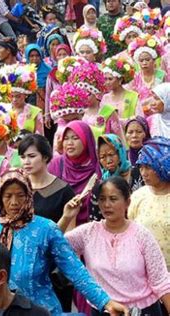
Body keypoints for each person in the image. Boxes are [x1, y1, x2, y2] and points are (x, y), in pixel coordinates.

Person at [0, 169, 129, 316]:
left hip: (42, 311)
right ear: (0, 197)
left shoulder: (46, 229)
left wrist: (105, 302)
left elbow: (75, 269)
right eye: (8, 196)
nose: (14, 202)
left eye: (20, 195)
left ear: (29, 195)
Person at [65, 176, 170, 315]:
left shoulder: (142, 235)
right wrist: (67, 217)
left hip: (142, 311)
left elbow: (161, 280)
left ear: (128, 202)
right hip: (104, 309)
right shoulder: (88, 233)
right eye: (102, 199)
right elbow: (54, 245)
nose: (107, 205)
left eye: (113, 199)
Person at [18, 134, 75, 311]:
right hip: (23, 265)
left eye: (31, 156)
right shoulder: (17, 189)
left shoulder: (64, 190)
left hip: (53, 266)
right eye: (23, 157)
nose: (26, 161)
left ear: (46, 157)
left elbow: (70, 235)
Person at [48, 121, 101, 226]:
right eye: (66, 139)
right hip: (60, 227)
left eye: (75, 138)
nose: (69, 143)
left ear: (86, 140)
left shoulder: (98, 166)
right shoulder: (57, 164)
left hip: (92, 227)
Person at [128, 137, 170, 269]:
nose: (143, 173)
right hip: (145, 270)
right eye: (141, 167)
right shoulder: (138, 196)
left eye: (148, 167)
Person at [70, 62, 125, 141]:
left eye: (87, 94)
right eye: (80, 94)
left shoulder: (108, 111)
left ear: (95, 93)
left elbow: (119, 138)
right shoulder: (77, 113)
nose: (84, 97)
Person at [127, 34, 165, 114]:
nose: (144, 63)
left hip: (159, 112)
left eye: (147, 60)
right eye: (141, 60)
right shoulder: (135, 77)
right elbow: (131, 98)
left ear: (153, 60)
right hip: (140, 113)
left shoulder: (161, 75)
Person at [49, 83, 90, 155]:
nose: (71, 123)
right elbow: (57, 152)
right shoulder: (60, 131)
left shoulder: (85, 127)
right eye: (67, 120)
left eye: (74, 119)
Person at [4, 64, 44, 135]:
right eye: (11, 96)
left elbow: (40, 136)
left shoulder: (35, 112)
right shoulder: (5, 111)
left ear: (25, 95)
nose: (14, 99)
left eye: (18, 96)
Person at [101, 56, 138, 126]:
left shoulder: (133, 96)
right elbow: (101, 120)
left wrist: (120, 122)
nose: (107, 82)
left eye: (110, 79)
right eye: (105, 79)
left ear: (120, 80)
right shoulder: (105, 98)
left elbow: (139, 119)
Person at [125, 116, 150, 192]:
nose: (134, 136)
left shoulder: (152, 157)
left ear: (146, 134)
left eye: (139, 132)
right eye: (130, 132)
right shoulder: (123, 157)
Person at [25, 44, 52, 112]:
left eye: (37, 55)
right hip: (29, 106)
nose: (35, 58)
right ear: (27, 57)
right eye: (31, 56)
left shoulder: (48, 70)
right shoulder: (24, 71)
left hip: (45, 105)